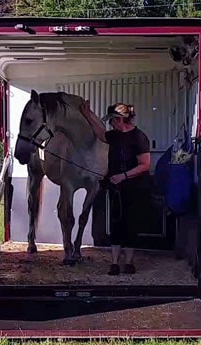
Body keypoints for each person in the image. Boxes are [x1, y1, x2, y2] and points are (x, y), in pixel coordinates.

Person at [80, 101, 151, 275]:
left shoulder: (139, 137)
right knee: (116, 224)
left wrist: (123, 176)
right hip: (116, 188)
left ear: (120, 120)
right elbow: (101, 135)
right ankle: (114, 263)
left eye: (112, 120)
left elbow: (145, 165)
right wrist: (88, 115)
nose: (111, 124)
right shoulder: (114, 136)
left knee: (131, 224)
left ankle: (128, 262)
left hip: (134, 187)